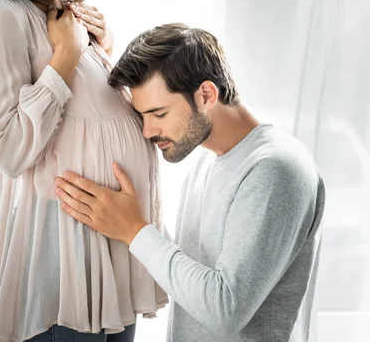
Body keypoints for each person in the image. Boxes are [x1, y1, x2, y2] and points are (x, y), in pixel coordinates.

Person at [0, 0, 167, 340]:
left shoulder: (71, 18)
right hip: (65, 258)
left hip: (112, 253)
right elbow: (7, 149)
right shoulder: (3, 17)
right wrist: (65, 57)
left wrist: (102, 52)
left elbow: (89, 122)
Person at [55, 23, 326, 341]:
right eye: (142, 116)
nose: (147, 131)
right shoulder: (205, 164)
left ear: (207, 95)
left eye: (158, 113)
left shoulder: (275, 168)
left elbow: (226, 309)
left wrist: (134, 230)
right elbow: (187, 277)